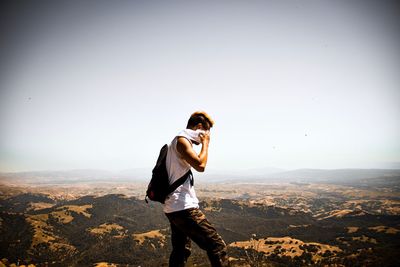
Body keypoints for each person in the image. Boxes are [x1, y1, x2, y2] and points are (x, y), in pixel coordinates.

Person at [164, 111, 229, 267]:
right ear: (199, 127)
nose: (207, 136)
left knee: (180, 250)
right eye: (206, 132)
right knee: (217, 246)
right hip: (183, 207)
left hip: (174, 207)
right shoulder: (182, 141)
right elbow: (200, 165)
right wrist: (206, 143)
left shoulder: (178, 142)